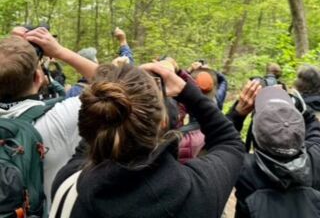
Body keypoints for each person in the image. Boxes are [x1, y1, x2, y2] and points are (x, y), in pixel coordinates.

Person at [50, 63, 245, 218]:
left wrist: (114, 86)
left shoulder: (67, 183)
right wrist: (186, 89)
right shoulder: (199, 195)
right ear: (164, 123)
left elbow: (89, 142)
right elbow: (230, 141)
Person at [2, 27, 98, 207]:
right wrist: (60, 52)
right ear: (39, 78)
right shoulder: (63, 115)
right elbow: (128, 87)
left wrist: (10, 51)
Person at [230, 86, 320, 218]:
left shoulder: (243, 169)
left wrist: (237, 114)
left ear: (256, 134)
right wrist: (295, 103)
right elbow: (314, 127)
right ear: (301, 131)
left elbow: (222, 142)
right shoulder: (316, 158)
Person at [66, 27, 133, 98]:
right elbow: (129, 68)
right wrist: (123, 41)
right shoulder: (112, 83)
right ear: (96, 61)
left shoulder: (73, 91)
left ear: (78, 70)